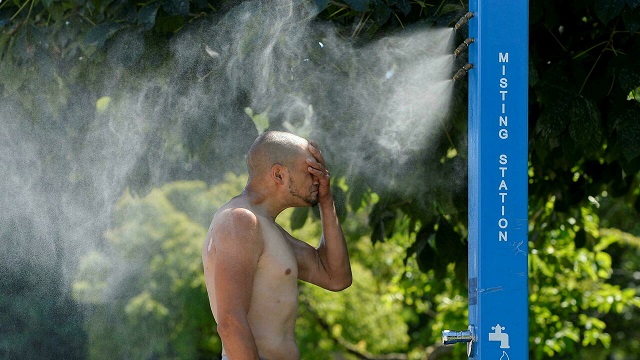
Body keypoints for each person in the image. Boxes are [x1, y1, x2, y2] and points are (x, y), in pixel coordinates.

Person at [202, 131, 352, 360]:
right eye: (310, 171)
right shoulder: (240, 220)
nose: (318, 179)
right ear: (279, 174)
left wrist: (326, 199)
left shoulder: (267, 229)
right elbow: (231, 324)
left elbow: (336, 276)